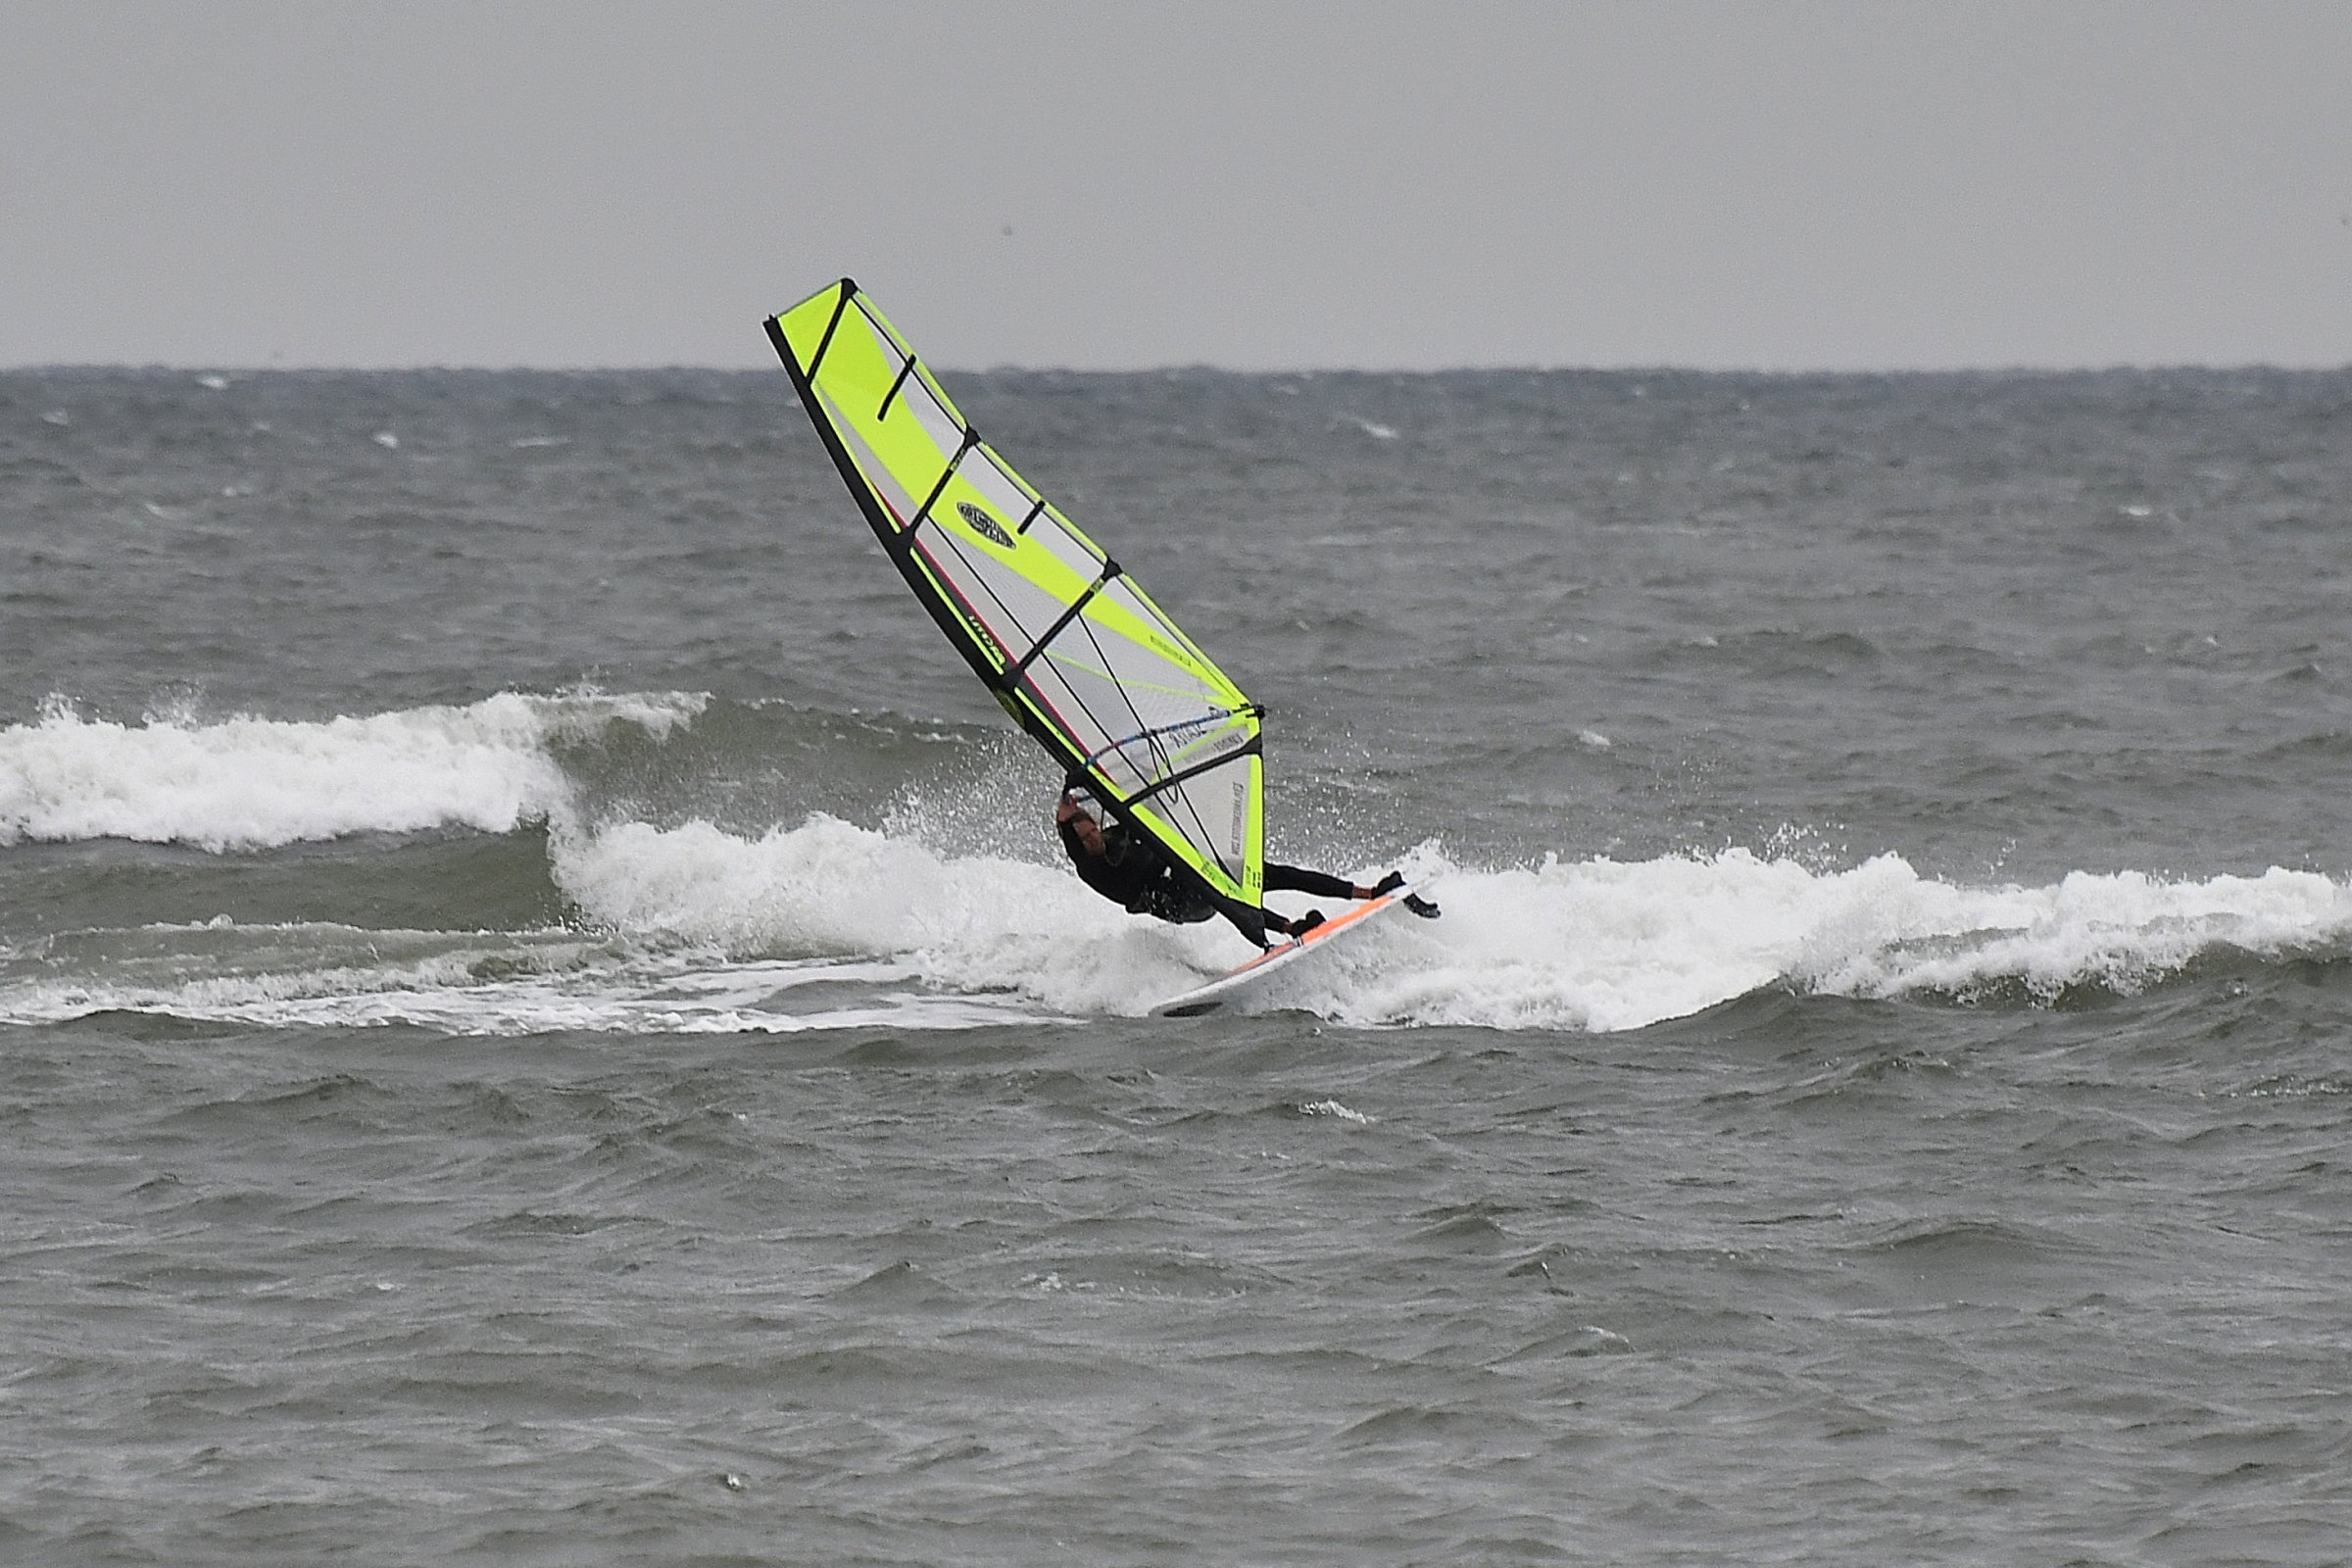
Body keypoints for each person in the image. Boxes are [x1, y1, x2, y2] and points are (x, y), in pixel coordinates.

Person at [1054, 785, 1437, 947]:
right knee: (1217, 888)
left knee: (1264, 871)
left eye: (1093, 834)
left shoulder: (1120, 831)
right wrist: (1063, 816)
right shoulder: (1089, 866)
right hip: (1171, 903)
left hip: (1187, 876)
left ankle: (1368, 891)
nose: (1093, 841)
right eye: (1085, 841)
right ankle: (1283, 931)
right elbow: (1074, 841)